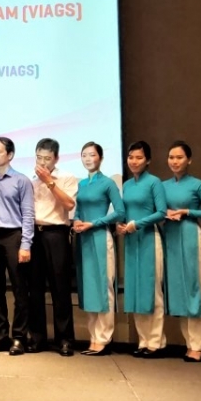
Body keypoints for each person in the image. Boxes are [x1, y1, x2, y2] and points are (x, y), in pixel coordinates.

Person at [162, 141, 201, 362]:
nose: (175, 161)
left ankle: (198, 343)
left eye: (179, 157)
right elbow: (156, 209)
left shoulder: (198, 185)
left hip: (190, 236)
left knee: (195, 288)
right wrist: (165, 212)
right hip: (170, 237)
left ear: (189, 160)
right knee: (178, 289)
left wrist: (187, 211)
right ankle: (189, 341)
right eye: (171, 157)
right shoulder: (163, 186)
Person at [0, 136, 35, 356]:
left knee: (20, 288)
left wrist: (26, 244)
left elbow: (28, 214)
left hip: (14, 236)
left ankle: (19, 337)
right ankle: (0, 336)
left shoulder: (21, 180)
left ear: (10, 155)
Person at [73, 142, 126, 356]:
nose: (88, 159)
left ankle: (104, 338)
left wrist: (94, 223)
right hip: (83, 239)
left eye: (92, 155)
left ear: (101, 158)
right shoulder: (82, 184)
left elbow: (120, 212)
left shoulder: (108, 183)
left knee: (104, 287)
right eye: (84, 155)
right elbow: (78, 209)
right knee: (89, 288)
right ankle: (93, 337)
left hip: (100, 237)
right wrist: (77, 221)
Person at [28, 138, 79, 357]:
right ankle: (37, 338)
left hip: (56, 233)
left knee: (60, 288)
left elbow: (69, 204)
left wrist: (49, 182)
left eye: (47, 158)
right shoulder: (30, 181)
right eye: (39, 158)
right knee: (35, 289)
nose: (42, 162)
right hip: (34, 234)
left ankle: (65, 339)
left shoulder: (66, 177)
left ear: (56, 158)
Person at [117, 141, 168, 358]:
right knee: (135, 290)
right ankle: (143, 340)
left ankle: (156, 342)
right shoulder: (127, 185)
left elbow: (161, 212)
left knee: (152, 289)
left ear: (148, 160)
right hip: (131, 240)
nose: (134, 161)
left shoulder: (154, 182)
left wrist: (137, 224)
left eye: (139, 157)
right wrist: (121, 225)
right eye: (131, 157)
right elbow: (124, 212)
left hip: (149, 238)